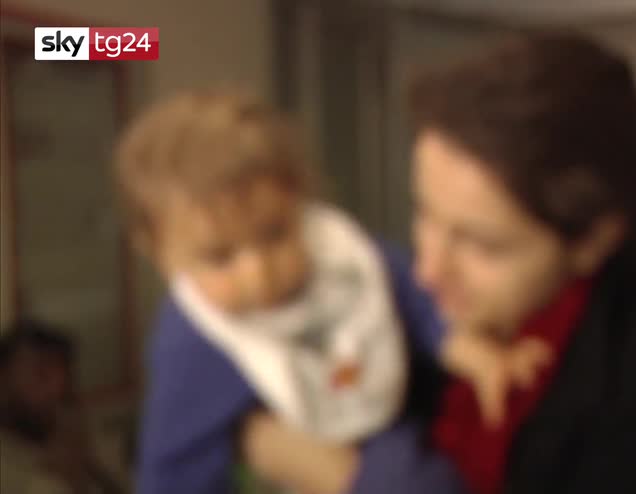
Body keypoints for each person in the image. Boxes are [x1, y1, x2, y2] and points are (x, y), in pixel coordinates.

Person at [243, 31, 636, 494]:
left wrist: (335, 474)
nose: (427, 271)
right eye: (425, 213)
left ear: (592, 242)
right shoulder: (437, 313)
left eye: (481, 245)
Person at [124, 89, 542, 494]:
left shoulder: (342, 258)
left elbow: (415, 301)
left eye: (275, 234)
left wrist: (474, 354)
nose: (259, 273)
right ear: (161, 254)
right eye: (220, 257)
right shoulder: (193, 339)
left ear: (298, 200)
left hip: (385, 421)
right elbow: (173, 464)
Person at [0, 319, 122, 494]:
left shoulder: (68, 437)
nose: (55, 390)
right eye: (41, 374)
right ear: (3, 377)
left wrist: (89, 464)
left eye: (63, 378)